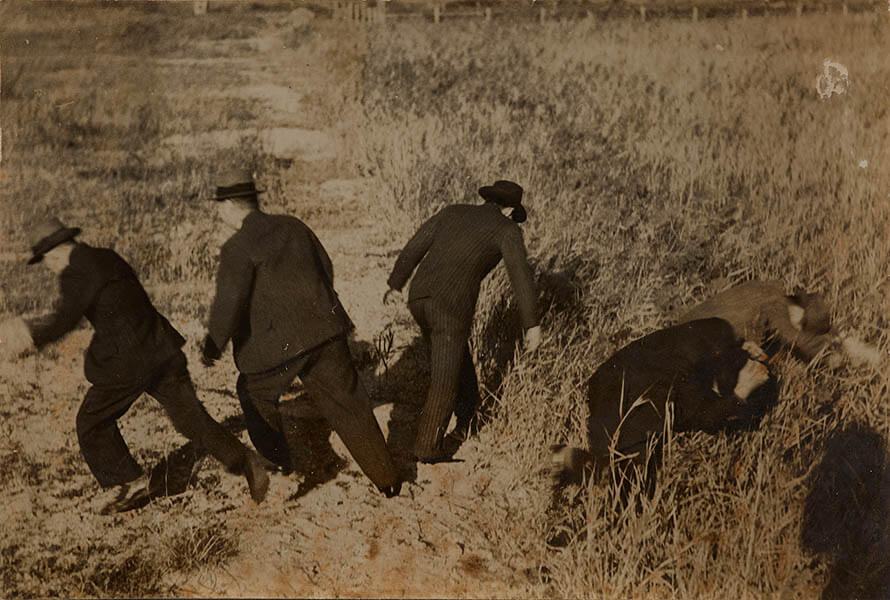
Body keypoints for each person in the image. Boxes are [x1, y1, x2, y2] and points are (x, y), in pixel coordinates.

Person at [0, 218, 269, 514]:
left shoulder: (74, 272)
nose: (49, 268)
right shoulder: (107, 256)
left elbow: (64, 320)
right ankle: (246, 461)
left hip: (128, 363)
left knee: (91, 422)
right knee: (191, 419)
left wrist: (26, 336)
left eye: (46, 261)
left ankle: (130, 483)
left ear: (54, 252)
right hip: (161, 348)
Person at [201, 169, 401, 498]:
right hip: (326, 331)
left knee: (253, 393)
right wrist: (316, 308)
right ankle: (388, 479)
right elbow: (325, 266)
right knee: (350, 403)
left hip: (279, 347)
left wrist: (212, 347)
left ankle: (278, 468)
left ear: (228, 206)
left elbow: (229, 303)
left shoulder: (237, 246)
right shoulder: (293, 226)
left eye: (219, 207)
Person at [384, 179, 542, 463]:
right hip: (451, 307)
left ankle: (469, 411)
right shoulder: (507, 230)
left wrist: (395, 284)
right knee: (444, 379)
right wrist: (531, 324)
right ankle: (427, 448)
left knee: (454, 352)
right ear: (509, 210)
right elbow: (521, 278)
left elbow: (415, 245)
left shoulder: (452, 212)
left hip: (418, 297)